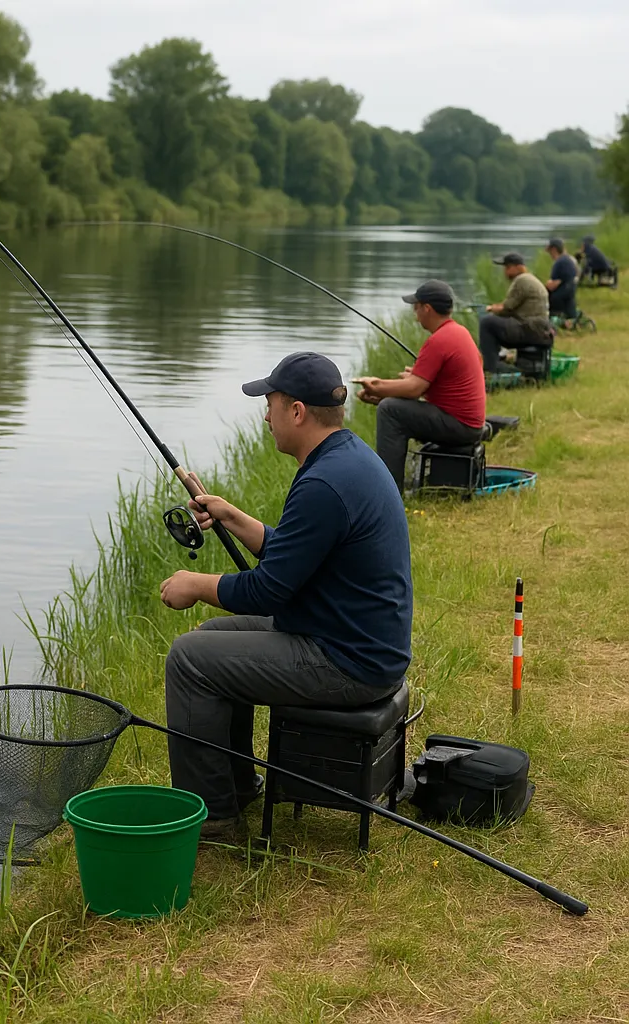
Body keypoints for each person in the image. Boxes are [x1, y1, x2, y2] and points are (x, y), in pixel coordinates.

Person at [158, 352, 413, 841]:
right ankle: (236, 786)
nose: (265, 415)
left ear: (297, 411)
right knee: (212, 640)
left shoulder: (322, 482)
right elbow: (298, 558)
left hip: (348, 662)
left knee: (190, 658)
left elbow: (269, 589)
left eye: (270, 404)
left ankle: (213, 819)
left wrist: (195, 585)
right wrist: (234, 517)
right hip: (355, 641)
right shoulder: (348, 459)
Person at [353, 279, 486, 495]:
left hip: (461, 427)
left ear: (427, 308)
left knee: (389, 410)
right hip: (469, 424)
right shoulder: (458, 332)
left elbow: (413, 389)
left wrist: (375, 386)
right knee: (391, 405)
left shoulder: (439, 340)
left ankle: (388, 493)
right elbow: (426, 384)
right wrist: (386, 391)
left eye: (416, 308)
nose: (415, 315)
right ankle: (390, 487)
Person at [477, 252, 553, 373]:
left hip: (530, 330)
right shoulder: (531, 279)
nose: (505, 272)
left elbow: (507, 309)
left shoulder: (521, 280)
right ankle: (498, 359)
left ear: (519, 267)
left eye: (507, 268)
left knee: (487, 323)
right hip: (541, 331)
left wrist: (491, 308)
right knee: (495, 323)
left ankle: (490, 366)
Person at [544, 237, 579, 325]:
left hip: (559, 297)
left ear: (554, 249)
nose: (549, 254)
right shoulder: (569, 260)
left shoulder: (559, 263)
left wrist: (546, 285)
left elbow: (553, 285)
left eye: (550, 251)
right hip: (570, 293)